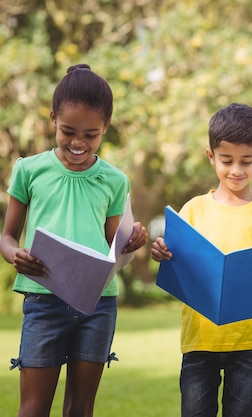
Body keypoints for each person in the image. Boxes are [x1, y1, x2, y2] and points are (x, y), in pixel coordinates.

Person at [0, 64, 148, 417]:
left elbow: (115, 245)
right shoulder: (29, 170)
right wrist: (14, 254)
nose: (78, 143)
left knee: (80, 409)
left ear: (106, 128)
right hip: (43, 300)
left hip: (97, 304)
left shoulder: (115, 180)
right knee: (33, 408)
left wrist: (134, 239)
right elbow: (7, 236)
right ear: (52, 118)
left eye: (91, 134)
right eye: (68, 131)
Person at [150, 103, 252, 417]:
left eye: (246, 161)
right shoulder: (193, 210)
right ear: (211, 156)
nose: (236, 170)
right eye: (226, 160)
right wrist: (161, 254)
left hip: (248, 340)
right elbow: (175, 260)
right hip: (199, 340)